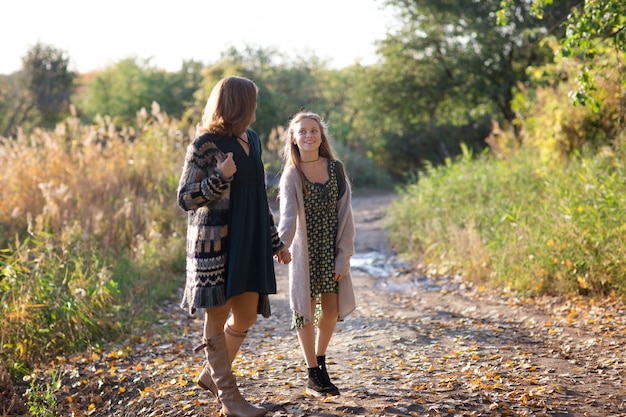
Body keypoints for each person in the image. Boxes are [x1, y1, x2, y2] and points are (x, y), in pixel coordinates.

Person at [177, 75, 291, 417]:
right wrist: (220, 177)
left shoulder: (252, 140)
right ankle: (229, 397)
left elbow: (258, 196)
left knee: (244, 315)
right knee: (219, 313)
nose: (256, 105)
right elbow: (185, 198)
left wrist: (275, 242)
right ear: (239, 103)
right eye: (252, 99)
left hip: (251, 240)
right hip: (217, 245)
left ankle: (212, 375)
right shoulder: (204, 145)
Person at [277, 111, 356, 397]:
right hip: (304, 253)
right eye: (303, 132)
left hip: (330, 249)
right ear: (294, 139)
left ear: (321, 135)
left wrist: (343, 255)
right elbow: (287, 219)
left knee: (331, 310)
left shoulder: (335, 168)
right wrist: (280, 244)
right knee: (306, 310)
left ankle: (320, 361)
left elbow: (346, 215)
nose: (308, 135)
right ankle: (312, 373)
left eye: (314, 130)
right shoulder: (292, 173)